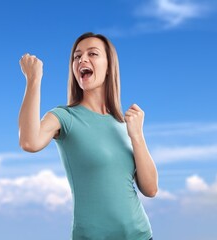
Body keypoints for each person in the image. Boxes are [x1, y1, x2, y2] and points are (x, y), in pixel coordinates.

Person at [18, 32, 158, 240]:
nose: (82, 59)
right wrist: (33, 80)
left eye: (92, 54)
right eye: (77, 56)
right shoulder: (64, 117)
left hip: (141, 235)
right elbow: (29, 142)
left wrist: (137, 135)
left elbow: (150, 189)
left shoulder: (123, 124)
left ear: (109, 66)